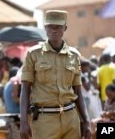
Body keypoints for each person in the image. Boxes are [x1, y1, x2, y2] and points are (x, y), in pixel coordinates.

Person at [20, 10, 91, 139]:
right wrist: (23, 122)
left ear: (65, 28)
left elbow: (78, 90)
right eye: (50, 26)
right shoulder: (33, 54)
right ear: (45, 28)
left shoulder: (74, 56)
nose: (54, 30)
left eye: (58, 27)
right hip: (44, 121)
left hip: (70, 120)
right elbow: (25, 89)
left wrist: (86, 121)